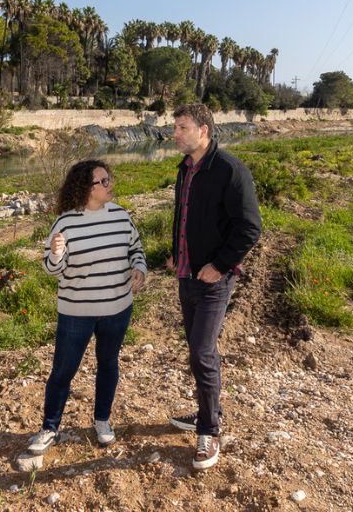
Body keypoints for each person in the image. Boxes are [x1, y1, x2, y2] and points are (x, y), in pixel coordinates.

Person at [26, 159, 147, 456]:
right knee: (62, 372)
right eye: (103, 181)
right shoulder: (65, 223)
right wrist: (56, 254)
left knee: (108, 364)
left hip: (118, 308)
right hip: (76, 312)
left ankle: (102, 421)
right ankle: (49, 427)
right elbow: (52, 269)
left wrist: (139, 269)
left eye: (109, 179)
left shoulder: (120, 215)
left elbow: (136, 249)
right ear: (86, 187)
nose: (110, 185)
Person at [166, 104, 262, 470]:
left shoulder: (229, 170)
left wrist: (220, 266)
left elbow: (250, 227)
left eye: (182, 127)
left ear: (203, 130)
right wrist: (177, 253)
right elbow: (185, 216)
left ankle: (209, 430)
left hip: (213, 281)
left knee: (202, 352)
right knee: (196, 348)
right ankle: (208, 410)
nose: (175, 133)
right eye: (174, 127)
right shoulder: (185, 169)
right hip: (186, 276)